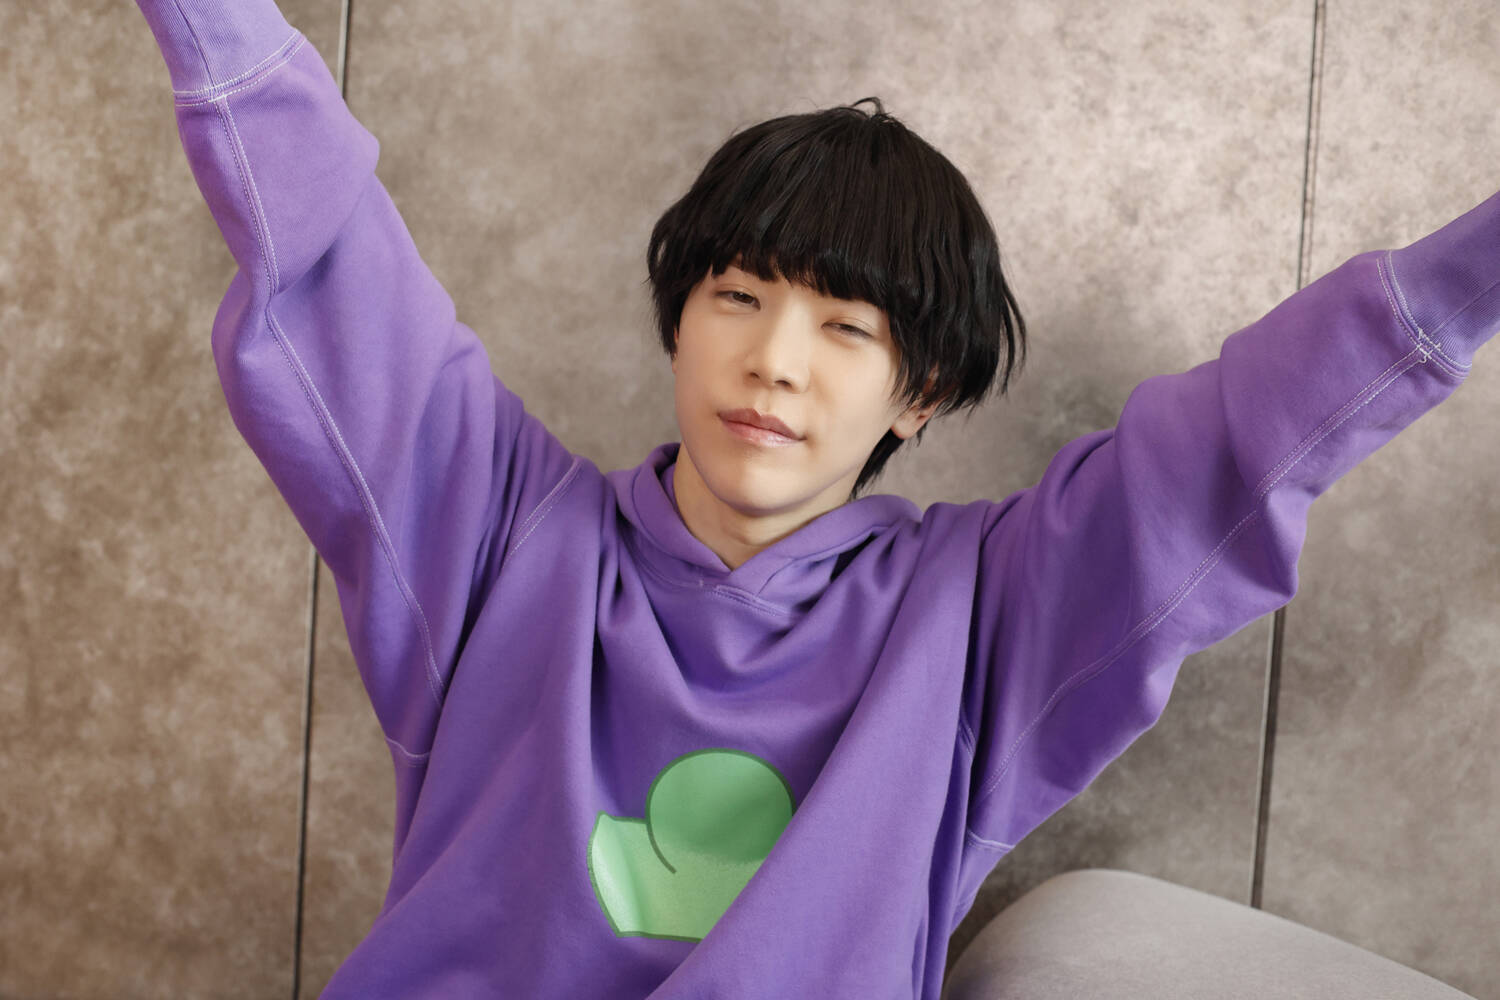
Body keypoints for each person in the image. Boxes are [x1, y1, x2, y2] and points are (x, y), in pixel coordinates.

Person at [133, 0, 1497, 996]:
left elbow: (1229, 448)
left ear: (922, 392)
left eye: (846, 328)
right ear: (679, 322)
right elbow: (334, 258)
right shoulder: (497, 533)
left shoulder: (986, 618)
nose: (775, 361)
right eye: (737, 297)